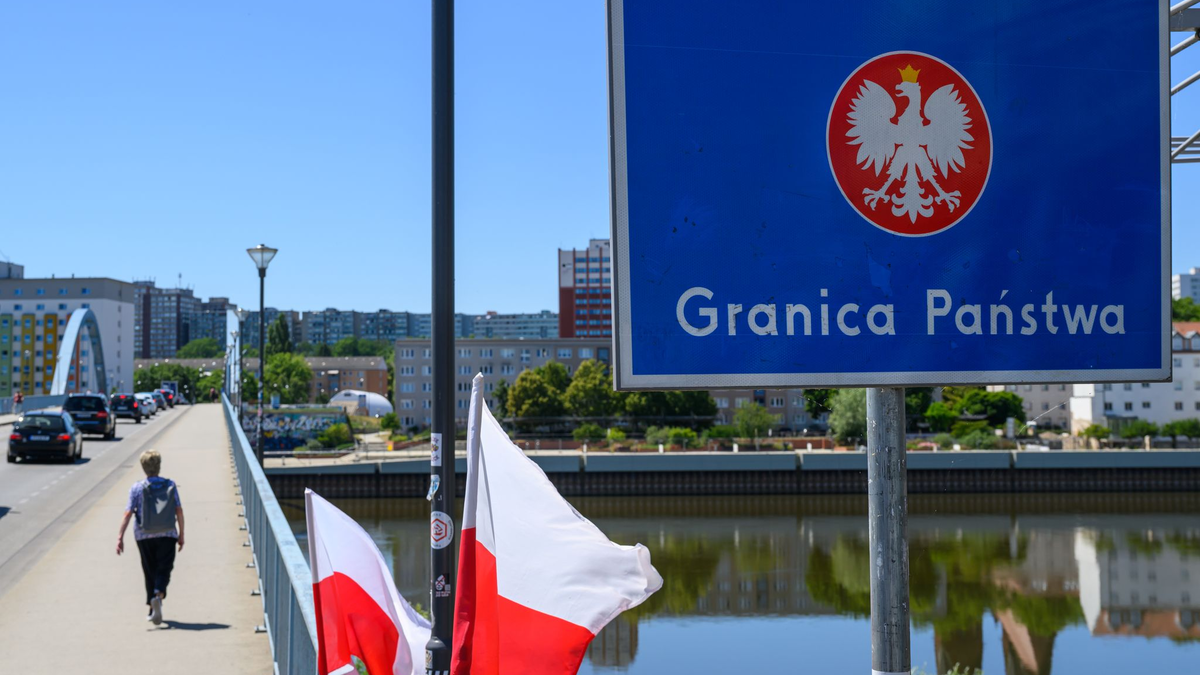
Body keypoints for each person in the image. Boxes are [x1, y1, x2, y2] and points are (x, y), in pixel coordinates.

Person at [116, 450, 185, 625]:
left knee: (149, 569)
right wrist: (181, 533)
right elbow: (179, 510)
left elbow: (128, 513)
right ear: (159, 465)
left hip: (143, 534)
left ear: (143, 467)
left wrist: (120, 537)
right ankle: (158, 594)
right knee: (165, 567)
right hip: (168, 532)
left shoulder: (137, 487)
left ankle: (152, 606)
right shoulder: (170, 484)